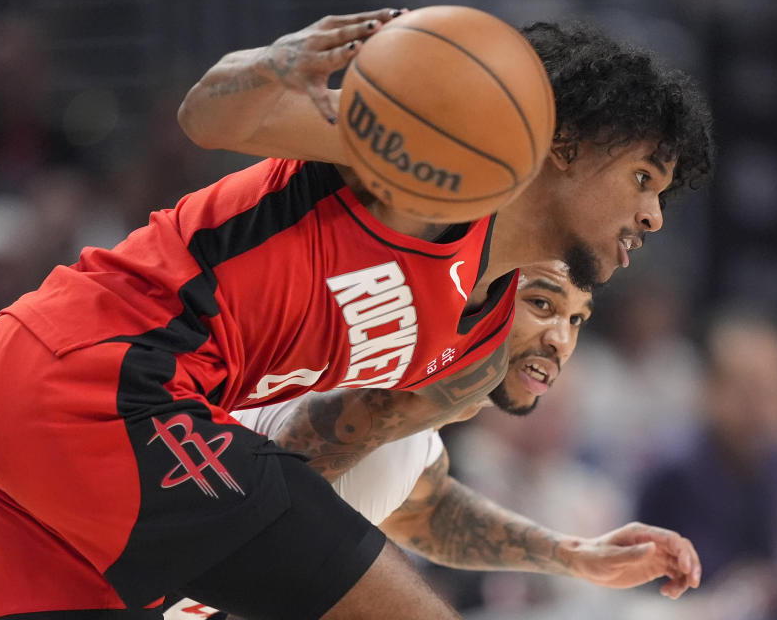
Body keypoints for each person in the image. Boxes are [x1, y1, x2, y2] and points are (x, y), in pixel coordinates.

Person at [0, 9, 713, 619]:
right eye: (643, 179)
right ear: (565, 147)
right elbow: (208, 116)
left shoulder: (475, 355)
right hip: (102, 373)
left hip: (82, 467)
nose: (652, 217)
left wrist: (572, 555)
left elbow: (400, 498)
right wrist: (273, 68)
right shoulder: (423, 179)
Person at [165, 261, 700, 619]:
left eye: (576, 320)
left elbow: (424, 508)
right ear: (481, 300)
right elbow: (266, 555)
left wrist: (576, 555)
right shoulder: (374, 393)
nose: (561, 341)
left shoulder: (413, 423)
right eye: (542, 306)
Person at [634, 312, 777, 620]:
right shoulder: (674, 469)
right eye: (749, 392)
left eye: (774, 392)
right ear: (711, 390)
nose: (762, 409)